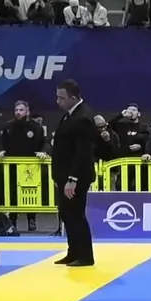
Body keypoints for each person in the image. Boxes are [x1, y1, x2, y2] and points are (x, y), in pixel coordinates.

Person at [52, 79, 96, 267]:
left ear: (73, 97)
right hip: (64, 174)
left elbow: (82, 153)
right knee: (67, 214)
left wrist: (73, 179)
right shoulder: (69, 115)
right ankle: (73, 252)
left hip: (75, 176)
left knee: (76, 214)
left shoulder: (83, 117)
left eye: (61, 98)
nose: (58, 101)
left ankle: (85, 255)